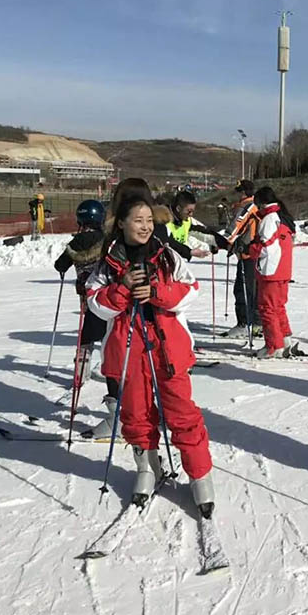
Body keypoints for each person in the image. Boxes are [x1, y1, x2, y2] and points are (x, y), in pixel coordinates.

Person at [86, 196, 215, 515]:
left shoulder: (167, 255)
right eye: (137, 220)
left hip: (166, 347)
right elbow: (95, 303)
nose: (144, 226)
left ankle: (199, 475)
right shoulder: (109, 261)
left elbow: (192, 289)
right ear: (121, 224)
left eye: (148, 220)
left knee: (182, 412)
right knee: (135, 414)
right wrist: (123, 288)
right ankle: (148, 467)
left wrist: (158, 293)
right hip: (129, 348)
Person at [54, 199, 113, 436]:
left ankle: (80, 376)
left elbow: (59, 264)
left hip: (87, 299)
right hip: (107, 299)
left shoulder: (75, 243)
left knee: (86, 338)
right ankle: (111, 376)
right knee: (109, 337)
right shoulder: (106, 240)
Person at [247, 186, 296, 359]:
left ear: (262, 203)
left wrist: (249, 249)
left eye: (257, 205)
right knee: (278, 307)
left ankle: (274, 346)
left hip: (271, 270)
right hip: (283, 269)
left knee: (267, 308)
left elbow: (266, 246)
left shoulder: (269, 218)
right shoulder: (283, 217)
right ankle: (284, 339)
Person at [222, 179, 261, 338]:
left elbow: (235, 227)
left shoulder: (247, 207)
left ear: (243, 192)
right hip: (250, 253)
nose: (236, 195)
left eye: (238, 191)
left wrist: (223, 242)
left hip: (248, 254)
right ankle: (257, 323)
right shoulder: (250, 206)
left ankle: (245, 323)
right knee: (252, 289)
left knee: (242, 290)